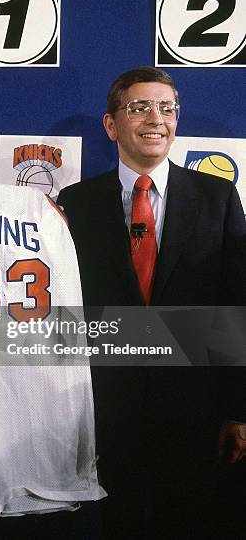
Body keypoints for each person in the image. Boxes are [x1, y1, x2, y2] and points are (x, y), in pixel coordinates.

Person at [57, 67, 246, 539]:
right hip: (105, 412)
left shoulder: (218, 196)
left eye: (166, 108)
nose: (155, 119)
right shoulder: (75, 203)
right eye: (139, 107)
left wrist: (237, 409)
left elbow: (236, 306)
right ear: (111, 125)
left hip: (194, 413)